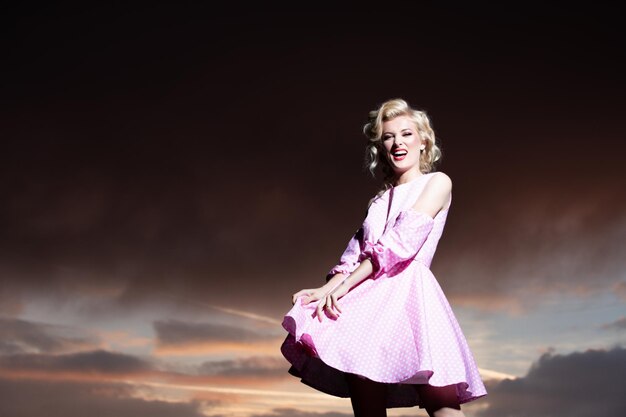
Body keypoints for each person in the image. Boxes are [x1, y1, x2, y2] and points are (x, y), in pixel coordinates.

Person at [281, 98, 487, 417]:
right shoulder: (378, 202)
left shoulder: (437, 182)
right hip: (367, 299)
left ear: (423, 141)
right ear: (381, 146)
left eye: (405, 134)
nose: (397, 142)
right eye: (389, 137)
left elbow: (400, 243)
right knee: (367, 406)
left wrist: (343, 287)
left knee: (442, 404)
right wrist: (325, 290)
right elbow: (353, 256)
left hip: (411, 297)